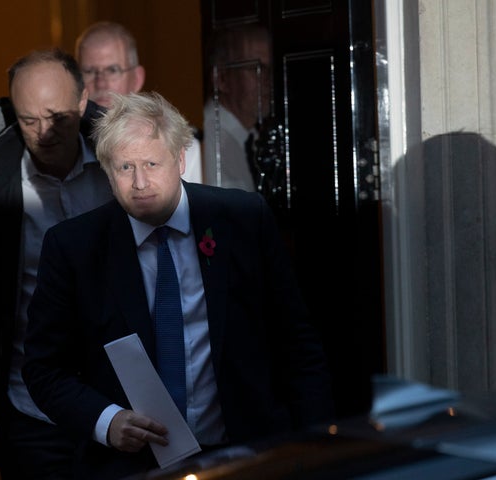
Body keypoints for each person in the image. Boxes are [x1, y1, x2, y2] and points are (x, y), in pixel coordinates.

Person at [22, 91, 333, 479]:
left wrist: (316, 448)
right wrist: (107, 421)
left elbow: (298, 345)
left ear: (181, 159)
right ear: (106, 172)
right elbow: (43, 369)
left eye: (152, 163)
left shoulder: (242, 220)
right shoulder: (74, 247)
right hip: (130, 466)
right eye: (124, 168)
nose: (140, 182)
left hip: (248, 455)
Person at [0, 49, 113, 479]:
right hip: (29, 408)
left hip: (118, 399)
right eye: (29, 120)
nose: (44, 133)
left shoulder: (119, 164)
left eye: (56, 117)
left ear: (82, 102)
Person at [75, 20, 203, 184]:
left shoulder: (185, 149)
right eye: (89, 71)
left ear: (137, 78)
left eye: (112, 70)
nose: (101, 83)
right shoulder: (65, 152)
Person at [203, 23, 272, 191]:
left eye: (270, 70)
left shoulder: (254, 138)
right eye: (255, 69)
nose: (268, 80)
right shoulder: (205, 143)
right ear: (222, 79)